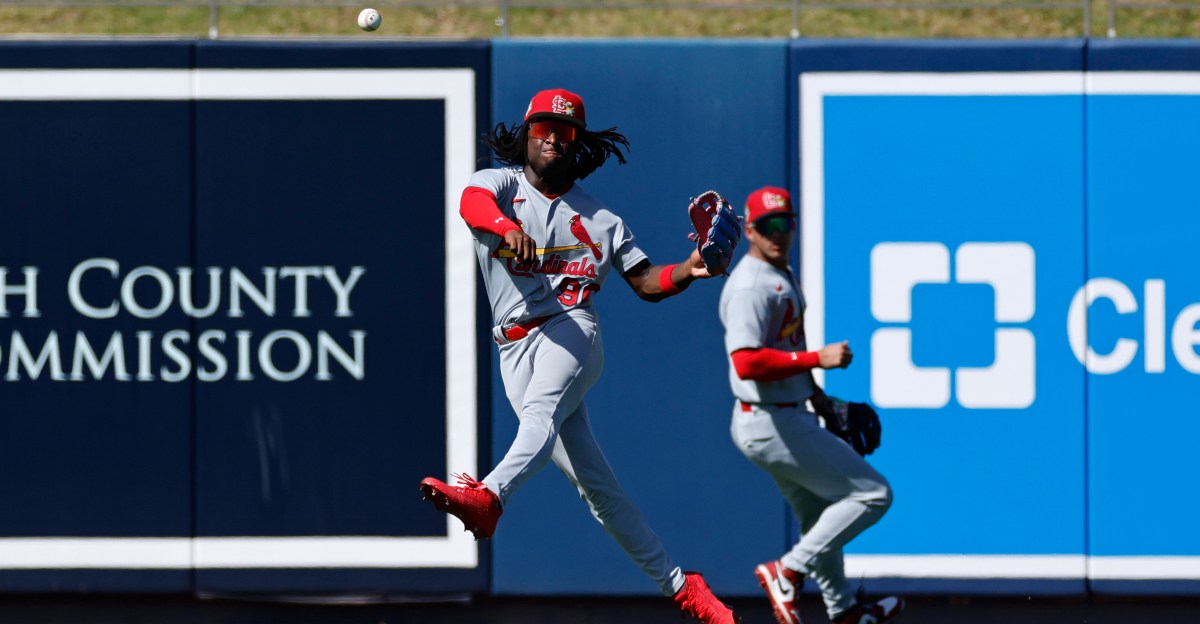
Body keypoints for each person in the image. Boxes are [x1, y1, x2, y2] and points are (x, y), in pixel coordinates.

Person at [419, 88, 739, 624]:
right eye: (543, 127)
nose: (552, 137)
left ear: (577, 144)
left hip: (572, 331)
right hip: (513, 346)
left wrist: (691, 269)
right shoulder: (496, 186)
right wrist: (506, 227)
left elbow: (647, 281)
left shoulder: (601, 218)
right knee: (599, 491)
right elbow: (469, 205)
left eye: (564, 132)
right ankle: (684, 588)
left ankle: (489, 497)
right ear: (526, 135)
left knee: (539, 416)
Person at [718, 186, 904, 624]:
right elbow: (746, 362)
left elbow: (783, 347)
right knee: (874, 494)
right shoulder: (750, 286)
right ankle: (787, 571)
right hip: (769, 423)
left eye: (784, 224)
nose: (777, 234)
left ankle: (842, 611)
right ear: (749, 230)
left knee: (821, 517)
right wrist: (817, 359)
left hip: (781, 415)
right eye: (767, 227)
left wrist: (820, 400)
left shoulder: (779, 272)